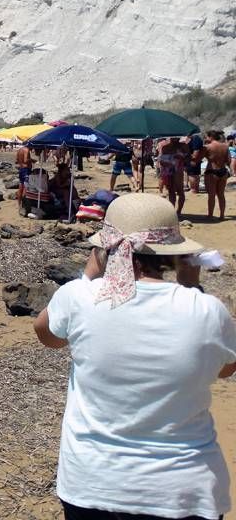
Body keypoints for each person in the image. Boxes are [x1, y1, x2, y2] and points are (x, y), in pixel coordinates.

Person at [34, 193, 236, 520]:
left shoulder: (80, 296)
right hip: (183, 490)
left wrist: (87, 277)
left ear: (104, 250)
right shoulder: (206, 311)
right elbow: (226, 369)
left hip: (92, 484)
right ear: (174, 256)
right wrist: (192, 289)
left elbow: (47, 335)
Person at [157, 137, 188, 214]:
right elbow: (162, 161)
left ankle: (178, 211)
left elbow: (188, 158)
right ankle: (173, 211)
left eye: (177, 137)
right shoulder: (166, 147)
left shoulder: (183, 146)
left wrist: (181, 157)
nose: (175, 138)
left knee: (179, 191)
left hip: (175, 170)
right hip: (170, 170)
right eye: (174, 137)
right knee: (172, 191)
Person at [203, 130, 228, 220]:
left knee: (212, 195)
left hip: (212, 171)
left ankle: (210, 215)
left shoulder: (207, 147)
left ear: (211, 137)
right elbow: (228, 160)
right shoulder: (225, 146)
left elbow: (198, 159)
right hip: (223, 171)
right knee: (221, 194)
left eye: (207, 137)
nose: (206, 138)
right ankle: (222, 215)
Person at [15, 143, 33, 208]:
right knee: (26, 187)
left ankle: (19, 205)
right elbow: (25, 160)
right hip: (26, 170)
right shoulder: (26, 150)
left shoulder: (19, 150)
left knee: (20, 187)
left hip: (21, 169)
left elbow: (16, 160)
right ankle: (24, 205)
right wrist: (32, 160)